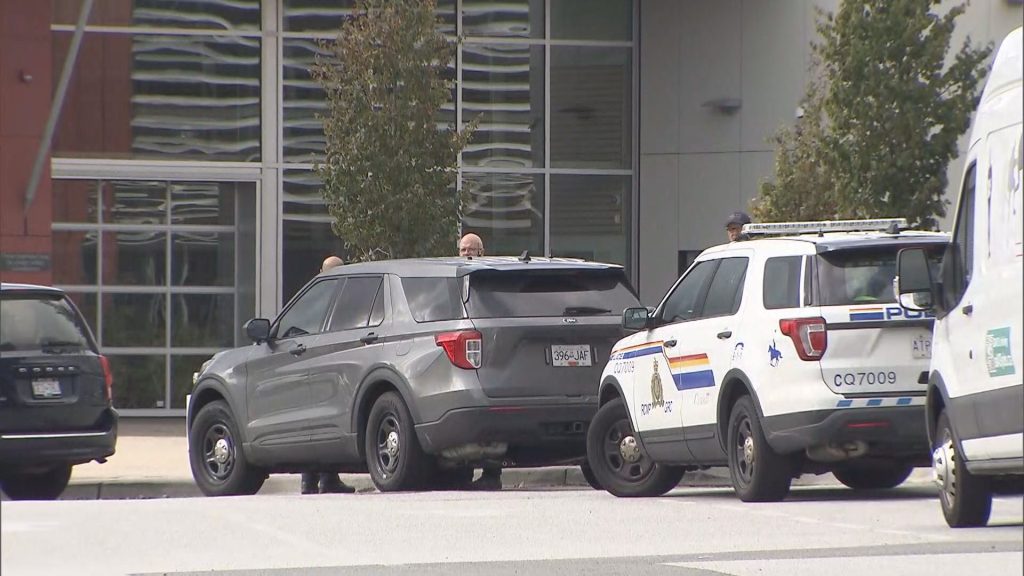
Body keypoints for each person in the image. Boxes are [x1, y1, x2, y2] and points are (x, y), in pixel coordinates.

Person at [300, 255, 356, 495]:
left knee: (318, 421)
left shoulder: (312, 297)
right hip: (321, 367)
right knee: (321, 420)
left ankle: (319, 478)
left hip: (317, 367)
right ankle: (319, 478)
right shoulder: (332, 299)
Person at [456, 234, 502, 490]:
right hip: (462, 352)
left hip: (488, 353)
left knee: (488, 415)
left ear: (482, 252)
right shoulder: (452, 278)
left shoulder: (491, 278)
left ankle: (492, 473)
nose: (467, 254)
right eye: (463, 249)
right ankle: (462, 473)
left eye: (472, 249)